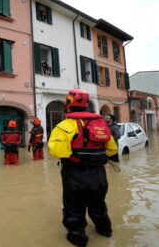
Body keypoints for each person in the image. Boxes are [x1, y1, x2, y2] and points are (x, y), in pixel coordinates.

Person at [48, 89, 119, 247]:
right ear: (86, 105)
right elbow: (112, 150)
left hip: (75, 175)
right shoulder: (101, 125)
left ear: (68, 104)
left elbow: (56, 151)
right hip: (99, 175)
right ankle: (105, 230)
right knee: (98, 204)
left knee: (74, 208)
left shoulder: (64, 126)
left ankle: (78, 237)